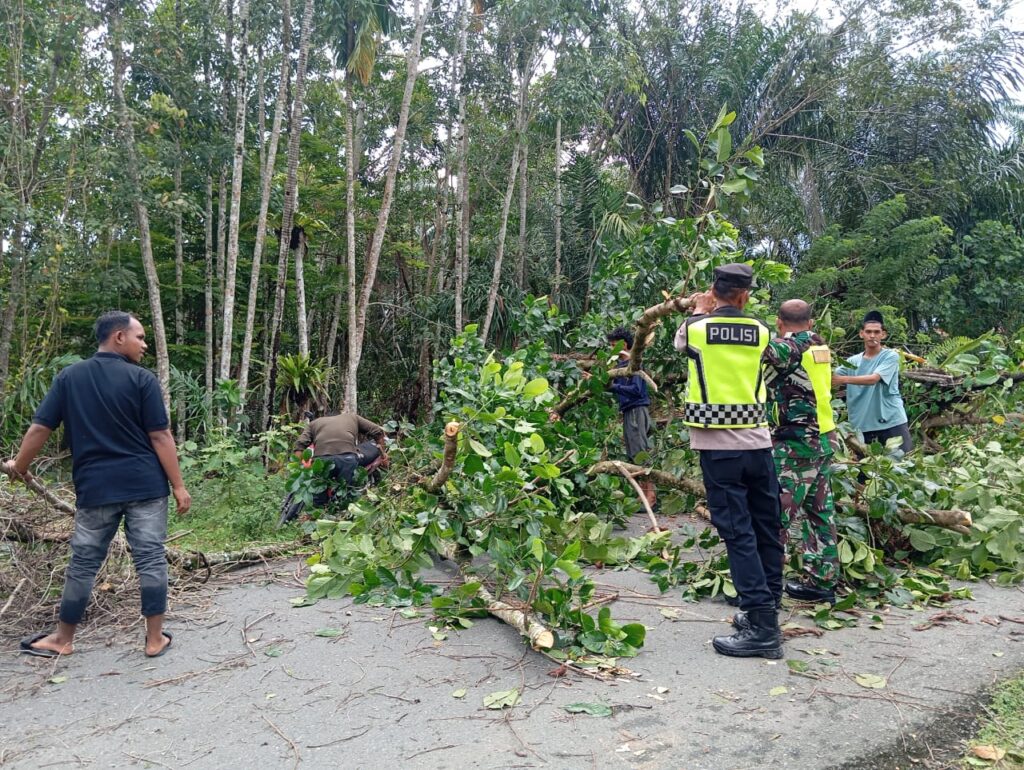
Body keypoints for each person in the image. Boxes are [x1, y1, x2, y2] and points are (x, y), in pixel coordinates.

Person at [3, 311, 191, 659]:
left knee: (84, 563)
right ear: (118, 337)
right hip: (145, 485)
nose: (144, 345)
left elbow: (40, 428)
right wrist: (178, 486)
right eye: (140, 337)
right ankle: (153, 640)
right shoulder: (141, 380)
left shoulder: (69, 377)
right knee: (150, 559)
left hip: (96, 488)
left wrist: (20, 466)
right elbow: (160, 435)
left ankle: (63, 639)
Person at [674, 263, 784, 660]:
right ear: (745, 296)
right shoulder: (761, 331)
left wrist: (701, 309)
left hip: (718, 447)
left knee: (738, 532)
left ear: (713, 291)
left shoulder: (695, 328)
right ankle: (769, 609)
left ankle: (761, 628)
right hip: (758, 443)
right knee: (767, 526)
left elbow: (681, 345)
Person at [759, 299, 839, 609]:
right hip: (823, 438)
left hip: (796, 443)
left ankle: (767, 589)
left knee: (776, 513)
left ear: (779, 322)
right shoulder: (820, 346)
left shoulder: (788, 349)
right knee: (820, 513)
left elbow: (761, 352)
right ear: (811, 321)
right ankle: (821, 583)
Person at [832, 310, 913, 454]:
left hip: (891, 422)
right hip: (862, 425)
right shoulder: (851, 362)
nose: (872, 335)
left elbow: (873, 379)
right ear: (861, 334)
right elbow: (830, 378)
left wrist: (842, 379)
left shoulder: (890, 356)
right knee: (865, 473)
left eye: (876, 332)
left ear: (883, 334)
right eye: (868, 332)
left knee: (901, 467)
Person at [606, 327, 657, 512]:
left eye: (614, 345)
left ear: (624, 345)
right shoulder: (619, 366)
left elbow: (636, 391)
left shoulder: (633, 364)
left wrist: (613, 387)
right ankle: (642, 495)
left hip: (636, 410)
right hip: (629, 411)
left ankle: (650, 496)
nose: (612, 349)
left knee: (639, 452)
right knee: (633, 453)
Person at [292, 412, 389, 491]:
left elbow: (299, 445)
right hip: (347, 458)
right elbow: (378, 432)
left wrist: (301, 468)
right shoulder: (352, 417)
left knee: (319, 497)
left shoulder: (314, 423)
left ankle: (317, 510)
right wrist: (383, 454)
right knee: (345, 491)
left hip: (321, 460)